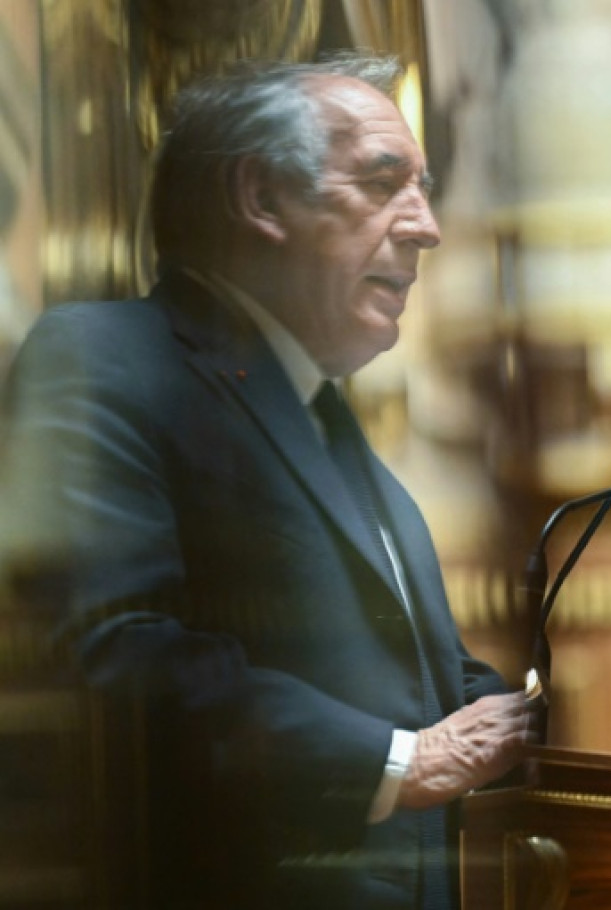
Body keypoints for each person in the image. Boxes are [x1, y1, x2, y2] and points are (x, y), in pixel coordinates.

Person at [0, 54, 532, 909]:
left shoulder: (317, 408)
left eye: (424, 189)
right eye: (383, 181)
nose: (426, 226)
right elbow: (119, 652)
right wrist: (407, 761)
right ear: (259, 198)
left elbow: (436, 690)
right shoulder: (107, 357)